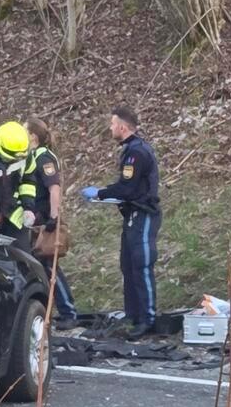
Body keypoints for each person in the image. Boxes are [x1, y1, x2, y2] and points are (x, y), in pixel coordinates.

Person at [82, 107, 161, 338]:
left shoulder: (136, 153)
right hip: (131, 215)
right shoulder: (131, 150)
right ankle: (133, 314)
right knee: (127, 265)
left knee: (141, 264)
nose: (110, 128)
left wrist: (100, 193)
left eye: (112, 124)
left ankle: (148, 319)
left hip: (143, 214)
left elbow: (127, 188)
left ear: (123, 127)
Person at [24, 122, 77, 325]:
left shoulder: (44, 157)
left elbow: (53, 187)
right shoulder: (33, 157)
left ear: (33, 137)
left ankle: (68, 312)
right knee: (41, 267)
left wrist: (54, 217)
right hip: (36, 220)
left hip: (44, 221)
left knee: (49, 266)